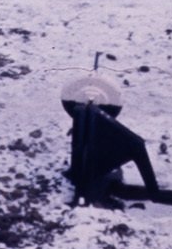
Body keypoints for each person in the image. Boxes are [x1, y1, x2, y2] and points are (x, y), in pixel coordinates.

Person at [61, 76, 159, 207]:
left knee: (135, 145)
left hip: (94, 161)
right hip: (93, 166)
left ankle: (87, 188)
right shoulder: (87, 111)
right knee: (135, 145)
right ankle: (86, 190)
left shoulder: (85, 111)